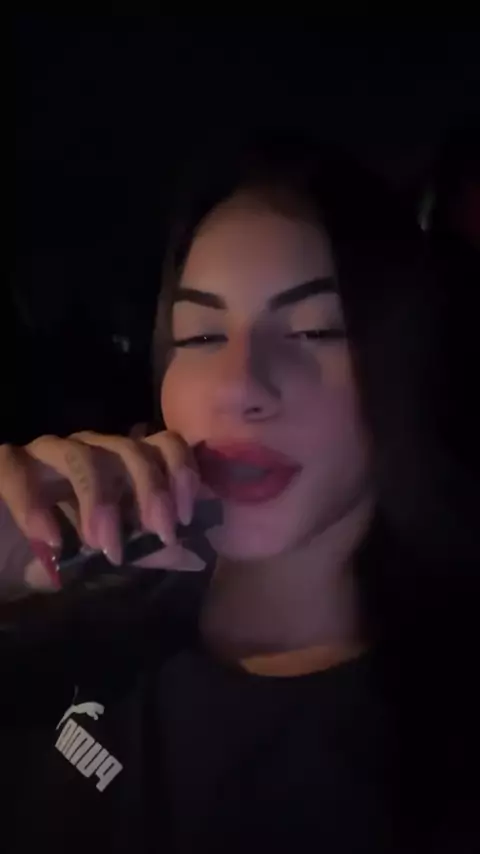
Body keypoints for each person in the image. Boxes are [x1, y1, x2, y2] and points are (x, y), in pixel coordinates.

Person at [1, 134, 478, 854]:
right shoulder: (68, 596)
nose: (239, 386)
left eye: (313, 330)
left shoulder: (442, 757)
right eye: (199, 337)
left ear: (400, 360)